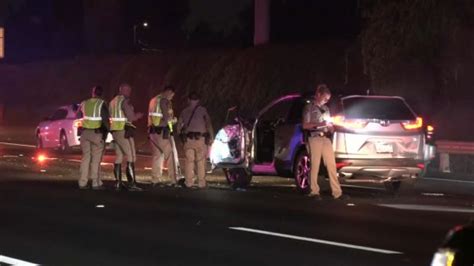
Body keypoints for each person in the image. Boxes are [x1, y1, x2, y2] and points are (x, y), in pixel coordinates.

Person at [302, 84, 346, 200]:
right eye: (325, 98)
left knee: (331, 165)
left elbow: (329, 125)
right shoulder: (309, 108)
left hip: (325, 138)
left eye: (328, 99)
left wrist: (331, 127)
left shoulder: (326, 109)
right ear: (318, 95)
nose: (326, 101)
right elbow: (305, 125)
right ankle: (314, 191)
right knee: (315, 165)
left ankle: (337, 192)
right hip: (314, 138)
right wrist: (320, 125)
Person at [109, 83, 144, 191]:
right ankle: (131, 183)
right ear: (122, 90)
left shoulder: (112, 102)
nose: (129, 93)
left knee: (119, 156)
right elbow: (131, 117)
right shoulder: (124, 101)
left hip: (115, 131)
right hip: (124, 131)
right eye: (128, 90)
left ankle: (118, 183)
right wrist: (138, 115)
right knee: (131, 156)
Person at [177, 91, 214, 188]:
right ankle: (201, 183)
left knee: (189, 161)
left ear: (188, 100)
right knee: (201, 161)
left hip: (188, 139)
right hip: (200, 139)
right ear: (198, 100)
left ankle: (189, 183)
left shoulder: (184, 111)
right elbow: (208, 124)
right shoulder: (203, 110)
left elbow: (179, 127)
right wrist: (211, 136)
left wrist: (181, 137)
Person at [78, 85, 110, 190]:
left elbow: (78, 116)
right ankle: (95, 183)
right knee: (96, 160)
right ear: (101, 94)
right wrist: (107, 133)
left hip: (85, 133)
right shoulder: (101, 104)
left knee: (85, 158)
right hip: (96, 134)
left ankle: (82, 182)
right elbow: (105, 121)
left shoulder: (84, 103)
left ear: (93, 92)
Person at [148, 85, 177, 186]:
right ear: (169, 92)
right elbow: (166, 118)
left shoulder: (153, 100)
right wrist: (174, 120)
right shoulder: (164, 101)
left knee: (157, 156)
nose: (172, 97)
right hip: (161, 132)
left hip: (152, 132)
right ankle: (174, 179)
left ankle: (155, 179)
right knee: (170, 155)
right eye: (172, 95)